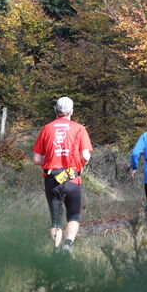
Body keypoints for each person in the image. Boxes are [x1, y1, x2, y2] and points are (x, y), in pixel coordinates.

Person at [33, 97, 93, 256]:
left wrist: (50, 162)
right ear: (71, 111)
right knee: (73, 215)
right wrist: (77, 166)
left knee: (56, 219)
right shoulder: (79, 128)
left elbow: (36, 159)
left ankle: (56, 251)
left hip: (52, 178)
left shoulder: (46, 128)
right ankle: (67, 246)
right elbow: (85, 156)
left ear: (55, 111)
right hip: (72, 177)